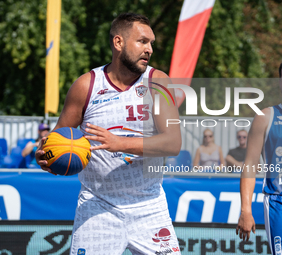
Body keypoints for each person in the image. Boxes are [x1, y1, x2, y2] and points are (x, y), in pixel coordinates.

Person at [36, 13, 182, 254]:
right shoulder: (86, 85)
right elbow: (58, 141)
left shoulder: (158, 82)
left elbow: (172, 143)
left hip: (149, 206)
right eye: (142, 41)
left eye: (151, 43)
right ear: (118, 43)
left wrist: (119, 143)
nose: (149, 49)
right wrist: (46, 156)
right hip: (98, 207)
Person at [236, 58, 282, 254]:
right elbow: (249, 165)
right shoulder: (266, 117)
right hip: (280, 202)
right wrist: (246, 210)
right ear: (279, 83)